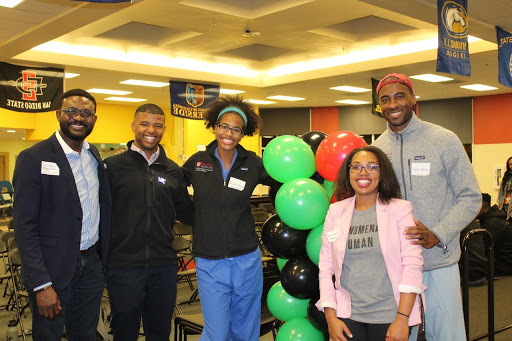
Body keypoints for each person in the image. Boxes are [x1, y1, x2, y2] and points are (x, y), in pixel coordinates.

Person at [372, 73, 482, 341]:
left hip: (438, 262)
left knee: (447, 336)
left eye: (399, 96)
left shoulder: (444, 140)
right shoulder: (375, 149)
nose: (392, 104)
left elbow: (471, 197)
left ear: (413, 99)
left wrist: (439, 233)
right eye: (385, 99)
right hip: (395, 268)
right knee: (398, 336)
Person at [13, 89, 111, 340]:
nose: (78, 117)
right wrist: (41, 284)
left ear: (94, 119)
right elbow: (25, 227)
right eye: (71, 111)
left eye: (86, 113)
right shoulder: (34, 157)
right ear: (58, 115)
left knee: (86, 335)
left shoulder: (93, 156)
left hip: (89, 267)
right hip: (52, 270)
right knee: (49, 336)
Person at [182, 95, 273, 341]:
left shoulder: (252, 163)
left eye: (236, 129)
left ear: (243, 134)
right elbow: (174, 191)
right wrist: (196, 217)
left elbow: (280, 184)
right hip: (210, 259)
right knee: (218, 332)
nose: (229, 133)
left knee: (245, 328)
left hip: (246, 257)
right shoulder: (197, 162)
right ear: (214, 127)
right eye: (224, 127)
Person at [104, 103, 193, 340]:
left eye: (157, 125)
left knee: (159, 333)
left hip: (163, 266)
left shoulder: (173, 170)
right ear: (133, 126)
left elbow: (187, 213)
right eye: (144, 123)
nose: (150, 129)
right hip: (123, 266)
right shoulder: (113, 167)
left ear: (164, 129)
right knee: (124, 333)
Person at [316, 146, 424, 341]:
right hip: (348, 315)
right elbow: (325, 268)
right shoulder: (335, 212)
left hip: (391, 314)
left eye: (372, 167)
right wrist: (331, 318)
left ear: (382, 174)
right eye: (356, 167)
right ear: (348, 173)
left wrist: (402, 318)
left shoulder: (400, 209)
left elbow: (412, 265)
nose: (363, 173)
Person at [478, 193, 512, 275]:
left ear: (485, 208)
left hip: (503, 266)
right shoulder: (494, 219)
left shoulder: (492, 224)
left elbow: (483, 249)